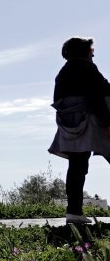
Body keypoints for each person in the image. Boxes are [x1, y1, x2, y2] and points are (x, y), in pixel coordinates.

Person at [48, 37, 110, 224]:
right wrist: (107, 124)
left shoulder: (63, 72)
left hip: (69, 124)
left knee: (76, 165)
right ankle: (74, 213)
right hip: (91, 120)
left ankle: (73, 212)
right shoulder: (88, 69)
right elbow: (99, 96)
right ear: (83, 51)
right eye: (91, 49)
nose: (93, 52)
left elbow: (59, 101)